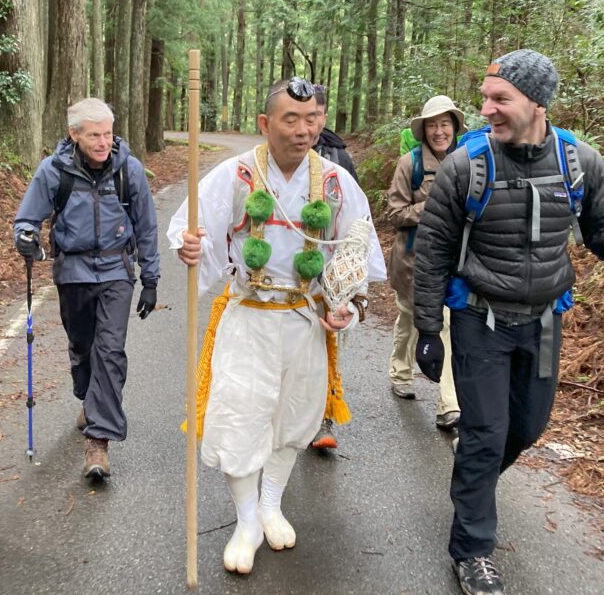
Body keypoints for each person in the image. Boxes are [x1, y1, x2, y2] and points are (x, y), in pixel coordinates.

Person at [413, 50, 604, 595]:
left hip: (542, 322)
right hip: (479, 320)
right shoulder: (465, 166)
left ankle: (473, 484)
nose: (487, 109)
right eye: (486, 97)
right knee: (486, 433)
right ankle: (472, 548)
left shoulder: (578, 162)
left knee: (528, 428)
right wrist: (428, 329)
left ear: (537, 103)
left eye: (501, 99)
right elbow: (434, 252)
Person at [169, 77, 386, 576]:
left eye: (313, 119)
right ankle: (246, 520)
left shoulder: (336, 183)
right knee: (241, 416)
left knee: (292, 421)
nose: (304, 129)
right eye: (291, 119)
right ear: (265, 124)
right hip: (247, 316)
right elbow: (193, 232)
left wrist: (349, 308)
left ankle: (271, 503)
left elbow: (357, 256)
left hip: (305, 321)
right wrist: (192, 248)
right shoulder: (235, 174)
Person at [13, 97, 160, 481]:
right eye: (94, 135)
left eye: (108, 133)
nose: (103, 142)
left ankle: (98, 440)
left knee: (109, 351)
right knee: (83, 346)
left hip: (116, 270)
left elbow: (146, 227)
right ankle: (88, 397)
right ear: (74, 135)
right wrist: (25, 237)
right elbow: (27, 218)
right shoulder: (53, 171)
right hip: (73, 272)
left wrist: (151, 279)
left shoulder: (129, 170)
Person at [387, 95, 463, 430]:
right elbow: (394, 213)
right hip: (412, 262)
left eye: (445, 124)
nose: (439, 131)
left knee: (445, 324)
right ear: (424, 130)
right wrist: (431, 208)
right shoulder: (410, 164)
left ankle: (449, 404)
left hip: (453, 263)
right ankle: (400, 371)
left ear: (454, 127)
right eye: (433, 125)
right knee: (409, 318)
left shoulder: (467, 160)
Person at [308, 83, 359, 450]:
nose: (306, 125)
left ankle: (322, 417)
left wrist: (351, 283)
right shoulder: (267, 159)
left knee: (325, 343)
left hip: (328, 271)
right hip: (286, 275)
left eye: (315, 115)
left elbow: (356, 219)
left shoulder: (339, 158)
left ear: (324, 116)